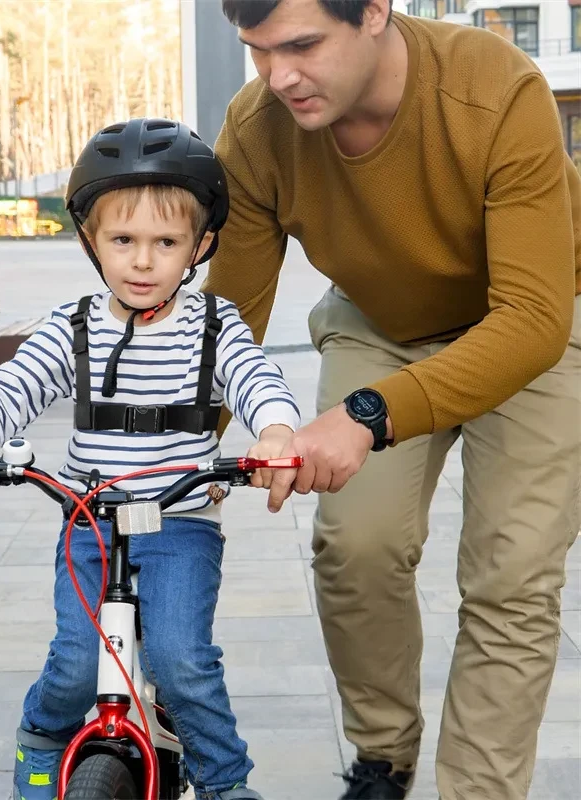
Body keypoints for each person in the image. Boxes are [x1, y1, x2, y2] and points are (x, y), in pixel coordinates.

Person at [204, 1, 581, 798]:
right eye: (257, 51)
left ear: (375, 10)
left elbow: (533, 319)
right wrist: (175, 448)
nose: (280, 77)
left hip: (534, 323)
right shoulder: (256, 129)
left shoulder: (495, 89)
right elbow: (228, 320)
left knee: (511, 578)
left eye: (302, 45)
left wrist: (368, 417)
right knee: (354, 545)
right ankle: (383, 757)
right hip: (381, 320)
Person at [0, 118, 301, 800]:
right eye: (122, 240)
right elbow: (12, 384)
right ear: (90, 240)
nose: (141, 261)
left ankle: (226, 784)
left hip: (180, 524)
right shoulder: (71, 325)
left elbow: (257, 380)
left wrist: (275, 432)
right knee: (74, 665)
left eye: (165, 243)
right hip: (88, 522)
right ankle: (41, 746)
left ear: (201, 244)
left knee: (181, 663)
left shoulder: (216, 326)